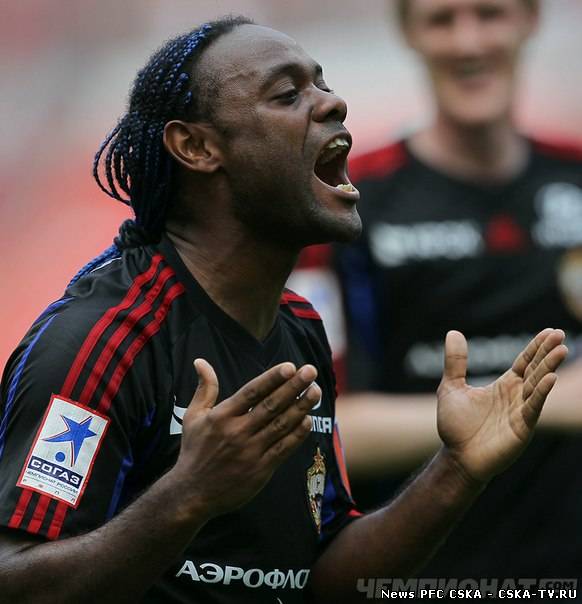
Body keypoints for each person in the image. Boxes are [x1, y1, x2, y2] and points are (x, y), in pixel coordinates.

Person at [0, 16, 567, 603]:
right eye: (288, 94)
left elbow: (318, 579)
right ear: (197, 147)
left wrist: (457, 470)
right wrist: (186, 496)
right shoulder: (103, 338)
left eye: (322, 84)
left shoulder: (299, 328)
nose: (333, 104)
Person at [318, 0, 582, 580]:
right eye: (442, 19)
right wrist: (534, 407)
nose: (468, 43)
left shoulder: (576, 176)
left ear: (530, 19)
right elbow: (320, 433)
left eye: (490, 14)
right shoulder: (346, 202)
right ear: (408, 31)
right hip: (423, 576)